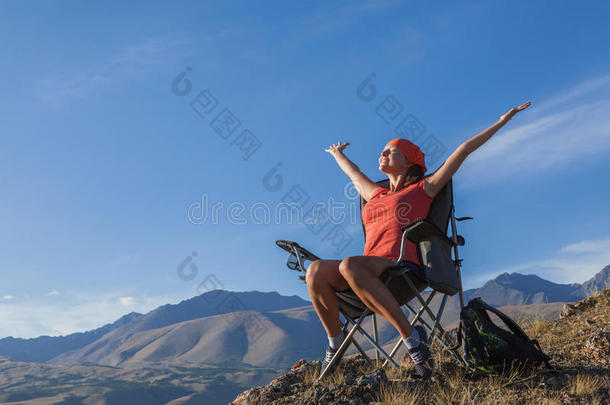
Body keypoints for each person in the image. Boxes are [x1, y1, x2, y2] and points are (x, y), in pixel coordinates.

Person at [307, 101, 531, 378]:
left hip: (402, 270)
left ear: (409, 161)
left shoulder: (424, 188)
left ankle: (413, 340)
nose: (382, 153)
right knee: (315, 269)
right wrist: (337, 154)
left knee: (349, 265)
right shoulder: (375, 195)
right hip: (365, 276)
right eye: (383, 150)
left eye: (391, 151)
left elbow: (463, 151)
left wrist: (502, 121)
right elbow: (353, 174)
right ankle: (336, 343)